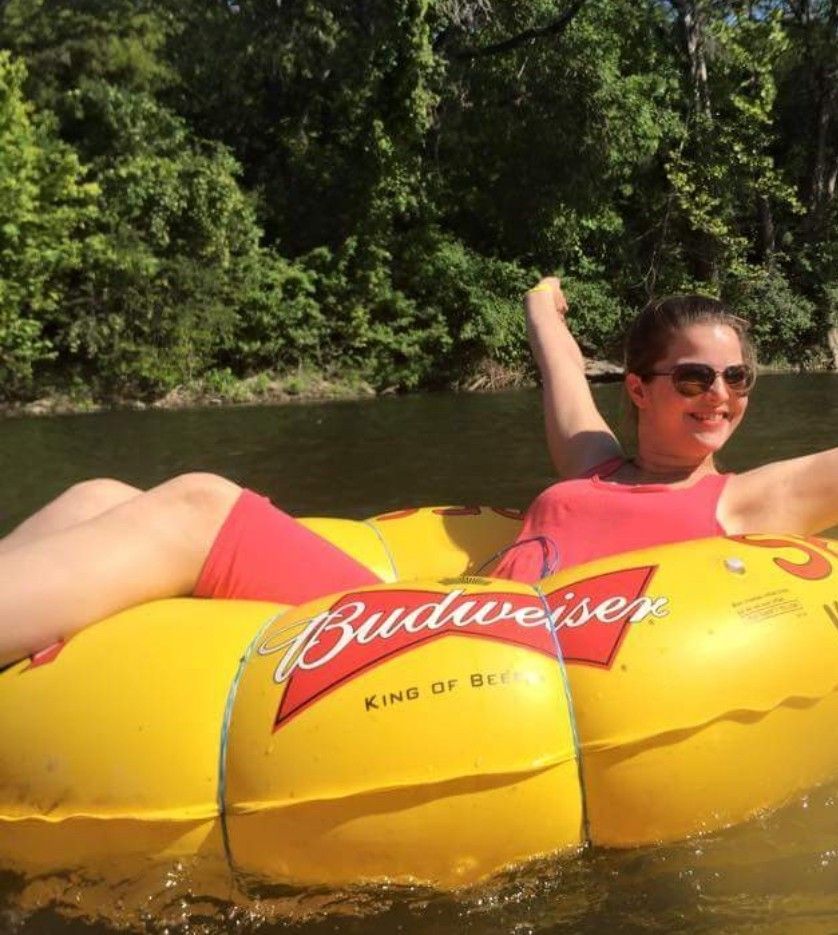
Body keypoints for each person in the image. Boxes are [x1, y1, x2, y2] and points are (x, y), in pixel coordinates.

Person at [0, 278, 835, 667]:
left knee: (197, 506)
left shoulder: (742, 500)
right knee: (98, 495)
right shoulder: (596, 466)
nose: (719, 397)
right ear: (644, 390)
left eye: (736, 379)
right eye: (694, 378)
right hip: (431, 612)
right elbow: (567, 383)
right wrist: (540, 309)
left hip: (465, 647)